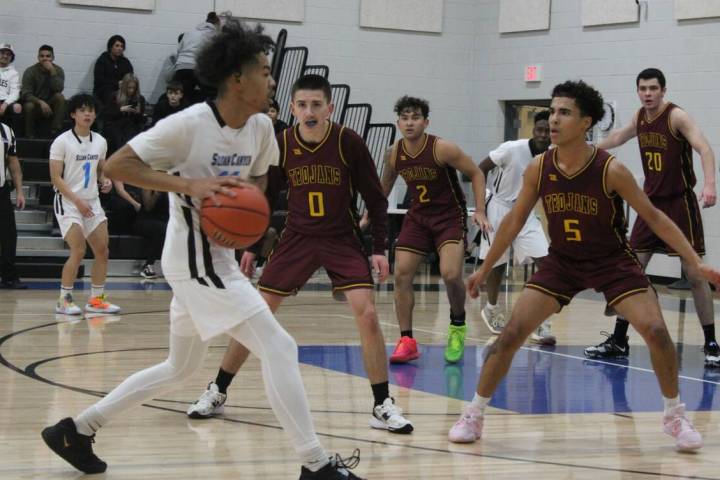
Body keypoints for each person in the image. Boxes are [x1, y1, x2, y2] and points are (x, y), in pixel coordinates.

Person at [41, 22, 363, 479]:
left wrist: (245, 219)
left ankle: (76, 429)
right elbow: (117, 165)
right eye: (265, 72)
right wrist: (188, 185)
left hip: (219, 258)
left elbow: (258, 184)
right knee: (280, 347)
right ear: (237, 78)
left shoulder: (262, 128)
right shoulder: (187, 126)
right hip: (193, 261)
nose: (273, 82)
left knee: (179, 367)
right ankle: (315, 464)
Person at [447, 80, 720, 453]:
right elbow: (513, 221)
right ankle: (474, 413)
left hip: (612, 262)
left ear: (586, 122)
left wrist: (696, 263)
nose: (553, 120)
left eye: (564, 113)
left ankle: (674, 415)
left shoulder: (610, 169)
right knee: (511, 334)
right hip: (562, 262)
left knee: (656, 330)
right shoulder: (540, 168)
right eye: (552, 111)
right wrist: (484, 265)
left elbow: (654, 218)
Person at [186, 74, 413, 437]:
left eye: (316, 105)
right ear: (292, 108)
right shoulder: (282, 144)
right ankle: (218, 390)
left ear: (329, 108)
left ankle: (382, 403)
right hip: (298, 238)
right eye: (303, 105)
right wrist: (251, 247)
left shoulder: (347, 141)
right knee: (256, 313)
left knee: (367, 312)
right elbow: (260, 199)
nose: (309, 111)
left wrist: (379, 248)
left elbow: (375, 198)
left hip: (341, 238)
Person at [584, 68, 719, 367]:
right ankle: (619, 340)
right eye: (643, 88)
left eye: (653, 88)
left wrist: (709, 184)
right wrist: (588, 150)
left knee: (696, 275)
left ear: (663, 90)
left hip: (679, 203)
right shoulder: (640, 117)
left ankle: (711, 343)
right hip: (649, 205)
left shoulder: (675, 116)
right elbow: (619, 136)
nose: (647, 93)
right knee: (630, 272)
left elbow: (705, 148)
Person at [376, 95, 490, 364]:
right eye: (404, 118)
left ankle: (457, 326)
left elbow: (476, 173)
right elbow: (384, 186)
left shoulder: (442, 148)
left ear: (425, 122)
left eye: (415, 117)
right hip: (418, 217)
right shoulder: (394, 153)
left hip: (449, 216)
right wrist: (371, 212)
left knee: (451, 275)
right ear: (398, 123)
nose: (409, 122)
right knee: (402, 273)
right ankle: (406, 340)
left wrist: (481, 210)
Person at [477, 110, 554, 344]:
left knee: (546, 263)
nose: (543, 134)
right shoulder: (512, 148)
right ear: (533, 129)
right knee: (497, 265)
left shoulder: (554, 155)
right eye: (539, 129)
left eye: (548, 131)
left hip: (527, 212)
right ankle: (491, 308)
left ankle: (539, 320)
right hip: (498, 207)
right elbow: (479, 169)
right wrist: (480, 209)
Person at [49, 93, 120, 315]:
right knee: (78, 250)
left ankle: (96, 300)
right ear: (73, 114)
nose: (87, 113)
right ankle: (64, 300)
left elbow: (101, 169)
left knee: (102, 251)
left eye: (90, 110)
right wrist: (77, 201)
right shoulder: (61, 141)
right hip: (69, 202)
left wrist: (105, 180)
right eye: (82, 110)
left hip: (92, 202)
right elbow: (56, 178)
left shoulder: (100, 141)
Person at [0, 120, 26, 289]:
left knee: (9, 235)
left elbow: (13, 162)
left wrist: (20, 191)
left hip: (1, 191)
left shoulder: (6, 130)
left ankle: (8, 277)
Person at [21, 45, 66, 138]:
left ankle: (55, 132)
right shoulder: (30, 71)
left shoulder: (58, 70)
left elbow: (59, 89)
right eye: (42, 56)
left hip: (51, 104)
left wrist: (52, 72)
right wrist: (40, 102)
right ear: (38, 57)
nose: (45, 59)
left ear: (53, 58)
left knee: (60, 97)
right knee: (29, 105)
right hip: (35, 104)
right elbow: (25, 94)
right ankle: (30, 136)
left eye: (48, 56)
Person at [174, 12, 219, 102]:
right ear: (216, 24)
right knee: (213, 92)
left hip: (182, 67)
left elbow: (178, 51)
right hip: (198, 68)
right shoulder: (214, 35)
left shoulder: (189, 33)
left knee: (184, 97)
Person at [102, 73, 146, 154]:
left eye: (134, 88)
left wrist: (138, 113)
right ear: (124, 86)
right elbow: (107, 116)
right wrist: (120, 110)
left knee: (130, 136)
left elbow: (140, 121)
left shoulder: (140, 99)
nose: (131, 90)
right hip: (115, 124)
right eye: (129, 88)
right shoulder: (114, 96)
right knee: (119, 138)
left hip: (131, 125)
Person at [93, 35, 134, 106]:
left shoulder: (125, 62)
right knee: (112, 96)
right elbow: (99, 79)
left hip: (122, 89)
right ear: (110, 47)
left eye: (122, 46)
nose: (120, 48)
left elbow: (130, 76)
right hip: (104, 90)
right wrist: (117, 83)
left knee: (138, 97)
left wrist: (125, 84)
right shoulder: (102, 60)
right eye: (117, 46)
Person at [0, 44, 22, 131]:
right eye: (2, 53)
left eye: (8, 54)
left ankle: (12, 136)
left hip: (5, 101)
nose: (5, 56)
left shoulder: (14, 73)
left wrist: (5, 104)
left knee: (17, 107)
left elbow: (15, 93)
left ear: (11, 58)